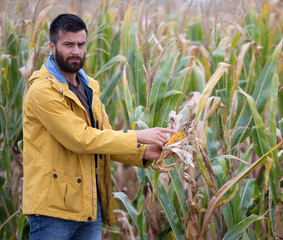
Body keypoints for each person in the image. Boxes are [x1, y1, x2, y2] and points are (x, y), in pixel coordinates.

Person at [22, 13, 175, 240]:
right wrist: (139, 135)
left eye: (81, 44)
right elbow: (81, 139)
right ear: (52, 47)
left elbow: (102, 139)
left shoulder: (88, 86)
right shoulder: (43, 91)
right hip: (53, 210)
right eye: (68, 44)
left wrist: (144, 153)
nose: (76, 51)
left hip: (89, 206)